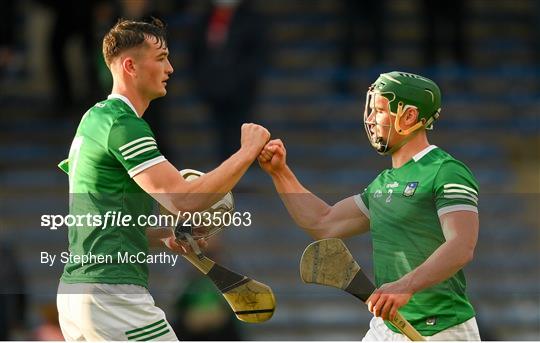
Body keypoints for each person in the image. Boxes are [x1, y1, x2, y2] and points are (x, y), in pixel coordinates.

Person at [57, 18, 269, 341]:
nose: (169, 68)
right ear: (130, 66)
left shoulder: (94, 120)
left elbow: (105, 223)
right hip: (112, 294)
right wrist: (247, 152)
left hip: (79, 294)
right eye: (161, 58)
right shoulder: (122, 124)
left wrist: (166, 236)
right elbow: (182, 200)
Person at [258, 71, 480, 340]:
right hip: (387, 328)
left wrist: (405, 286)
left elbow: (461, 246)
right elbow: (323, 223)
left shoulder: (446, 171)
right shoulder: (383, 183)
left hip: (442, 329)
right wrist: (280, 173)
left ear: (409, 116)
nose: (371, 120)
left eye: (380, 111)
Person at [189, 0, 267, 162]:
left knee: (239, 131)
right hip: (213, 88)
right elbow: (196, 54)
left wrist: (240, 80)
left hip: (241, 90)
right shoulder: (204, 19)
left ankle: (243, 168)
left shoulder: (250, 19)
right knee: (220, 133)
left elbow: (257, 55)